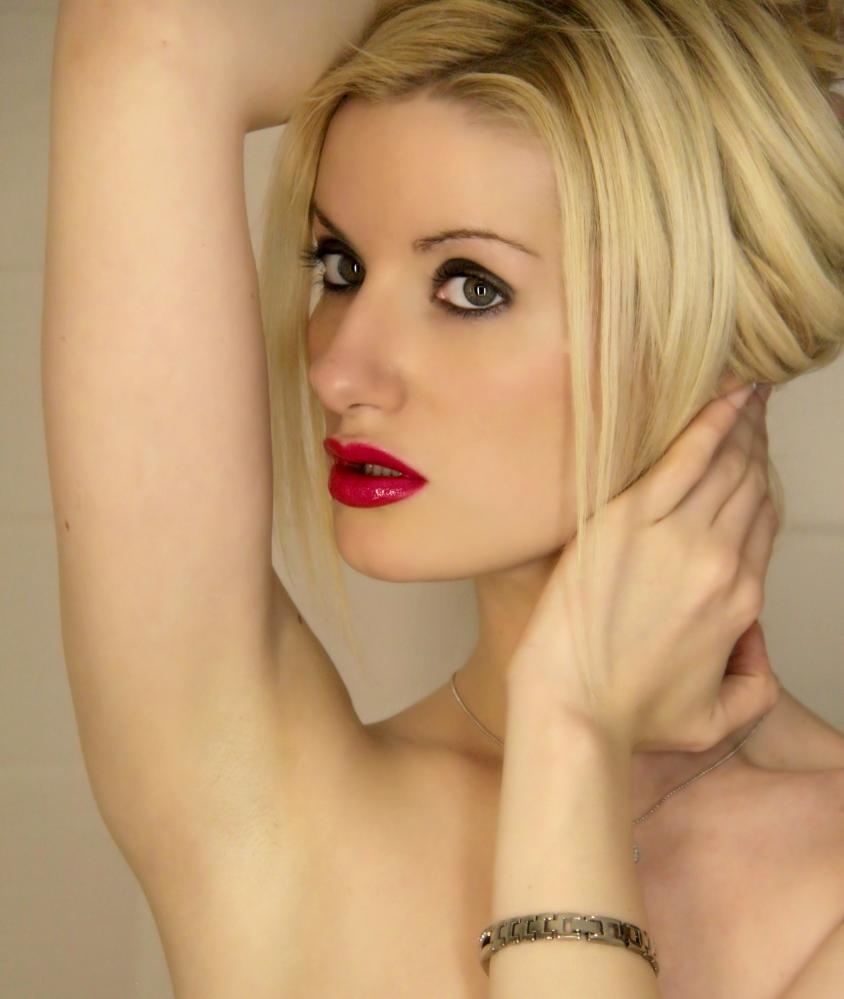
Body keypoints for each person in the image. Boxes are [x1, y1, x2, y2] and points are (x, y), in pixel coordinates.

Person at [42, 1, 844, 996]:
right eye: (341, 268)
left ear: (720, 325)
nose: (338, 370)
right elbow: (149, 33)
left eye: (470, 287)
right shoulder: (261, 791)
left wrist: (572, 735)